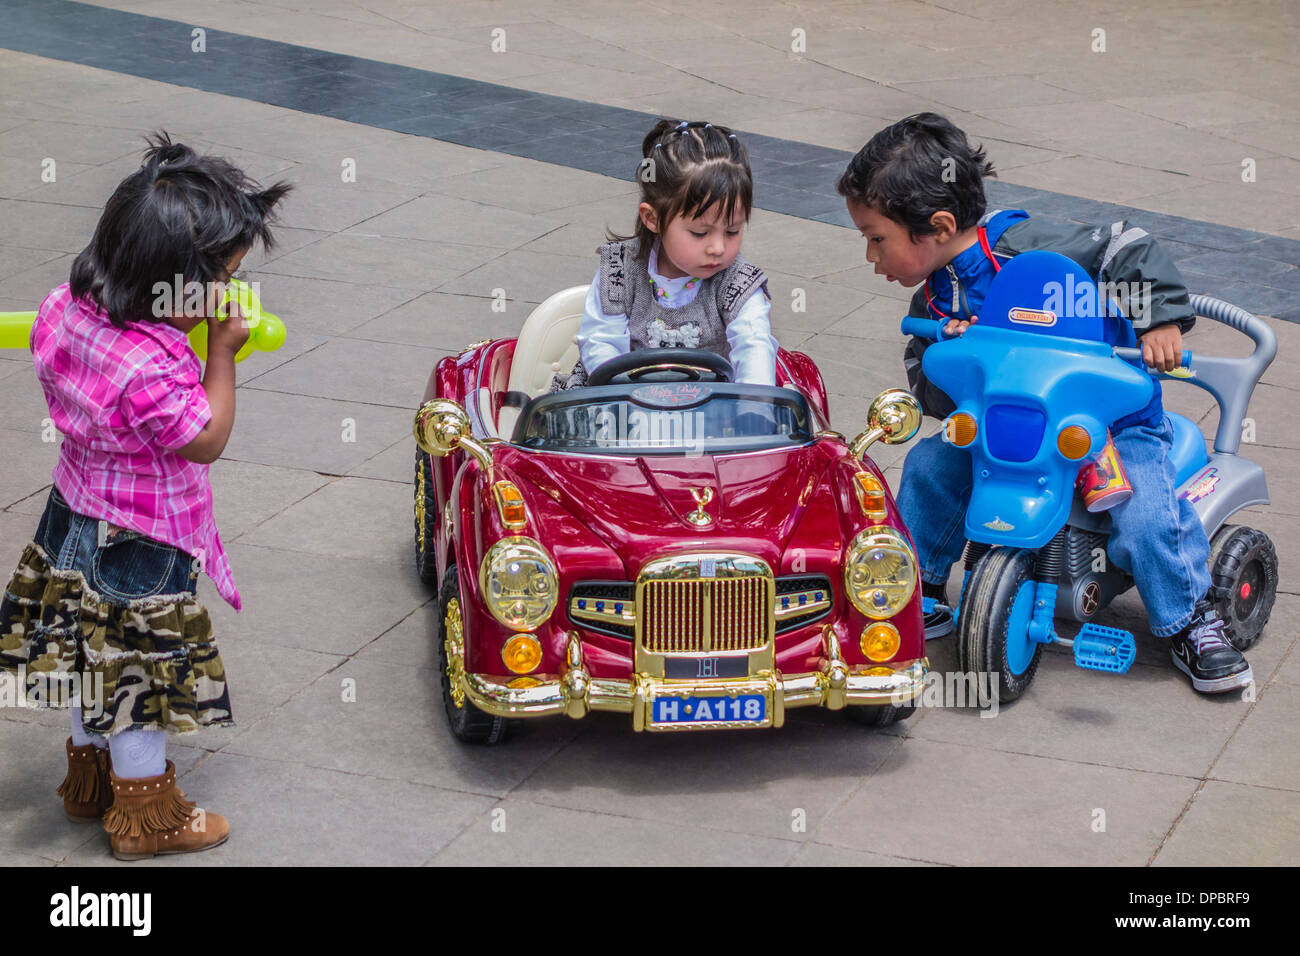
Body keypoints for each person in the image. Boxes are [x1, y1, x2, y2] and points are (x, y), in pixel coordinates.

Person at [836, 112, 1251, 694]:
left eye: (877, 239)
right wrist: (952, 359)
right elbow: (927, 379)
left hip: (1106, 422)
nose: (871, 256)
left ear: (937, 224)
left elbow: (1127, 246)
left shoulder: (1020, 249)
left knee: (1148, 517)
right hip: (1004, 426)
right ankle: (920, 588)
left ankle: (1191, 621)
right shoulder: (936, 293)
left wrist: (1159, 318)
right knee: (931, 467)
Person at [0, 134, 291, 858]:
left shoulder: (63, 310)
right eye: (221, 279)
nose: (226, 292)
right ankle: (146, 816)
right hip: (143, 541)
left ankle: (88, 783)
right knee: (138, 676)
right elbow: (205, 436)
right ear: (172, 282)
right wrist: (220, 353)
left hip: (71, 515)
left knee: (83, 652)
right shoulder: (151, 371)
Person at [552, 119, 776, 390]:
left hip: (712, 411)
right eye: (699, 233)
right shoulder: (619, 271)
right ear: (653, 218)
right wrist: (623, 401)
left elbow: (753, 345)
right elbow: (602, 344)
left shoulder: (738, 282)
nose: (718, 247)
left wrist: (754, 406)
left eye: (732, 231)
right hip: (623, 402)